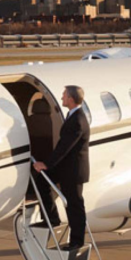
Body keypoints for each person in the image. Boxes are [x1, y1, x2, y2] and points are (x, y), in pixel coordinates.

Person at [33, 86, 90, 250]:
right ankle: (52, 219)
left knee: (74, 206)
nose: (62, 98)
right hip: (65, 167)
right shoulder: (72, 115)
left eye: (64, 95)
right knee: (42, 180)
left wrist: (46, 164)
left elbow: (65, 147)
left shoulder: (78, 120)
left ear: (71, 99)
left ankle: (77, 242)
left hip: (73, 171)